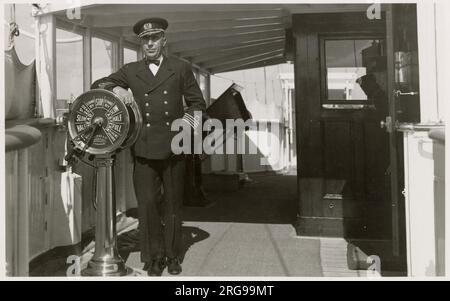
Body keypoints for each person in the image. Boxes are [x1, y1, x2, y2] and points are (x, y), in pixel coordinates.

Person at [91, 17, 206, 276]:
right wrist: (117, 89)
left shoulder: (181, 68)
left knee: (174, 204)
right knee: (147, 204)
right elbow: (98, 84)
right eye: (145, 40)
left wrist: (185, 131)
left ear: (164, 41)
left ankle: (173, 255)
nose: (150, 43)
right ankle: (153, 257)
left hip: (175, 148)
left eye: (155, 38)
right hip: (142, 149)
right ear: (141, 44)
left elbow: (198, 104)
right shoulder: (130, 71)